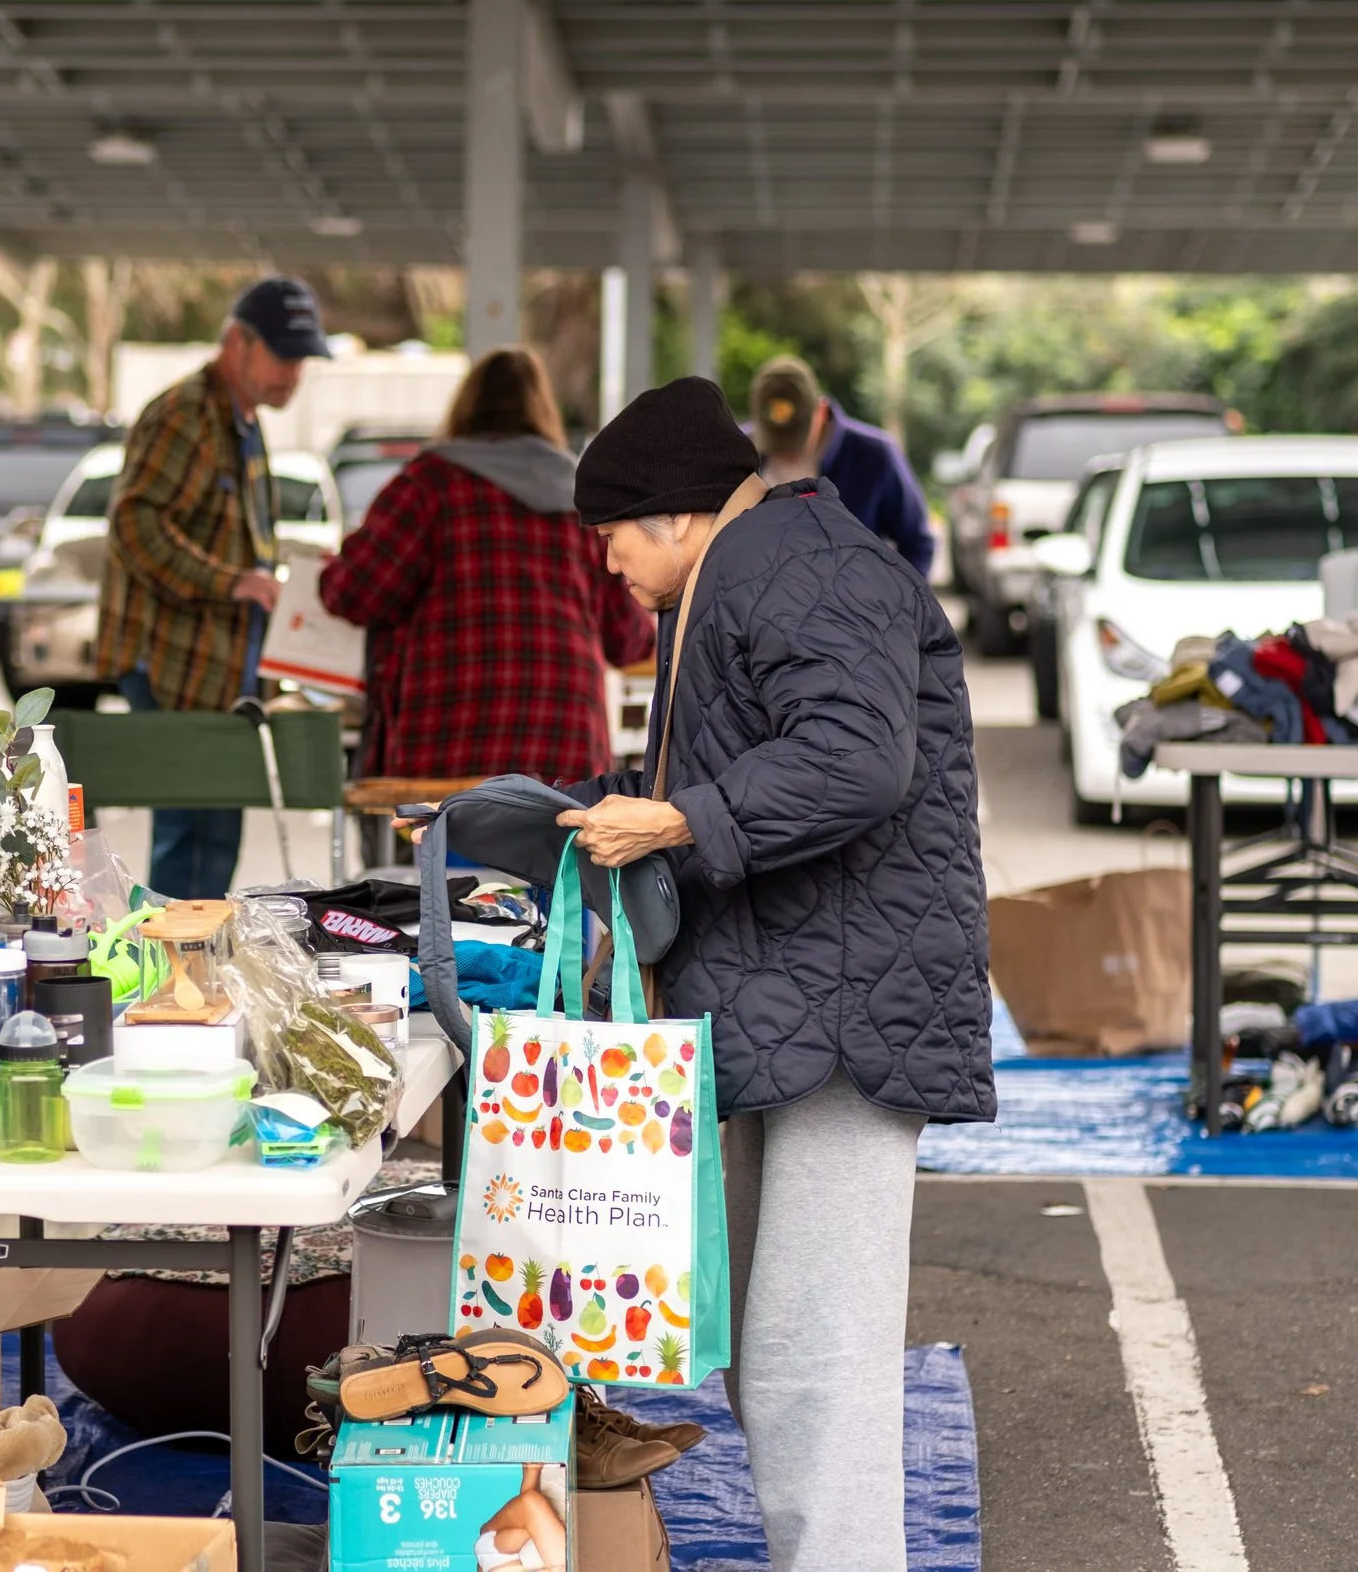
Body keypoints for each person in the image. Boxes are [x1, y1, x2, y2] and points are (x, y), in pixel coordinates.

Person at [553, 377, 991, 1572]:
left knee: (816, 1357)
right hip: (804, 995)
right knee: (780, 1348)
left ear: (676, 513)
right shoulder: (748, 568)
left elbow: (856, 759)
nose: (606, 564)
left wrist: (677, 821)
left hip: (849, 1006)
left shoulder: (802, 566)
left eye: (612, 535)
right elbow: (757, 753)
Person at [318, 347, 654, 783]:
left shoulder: (427, 486)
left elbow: (356, 592)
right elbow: (627, 638)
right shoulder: (582, 498)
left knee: (441, 828)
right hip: (563, 743)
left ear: (464, 408)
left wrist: (325, 570)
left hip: (445, 741)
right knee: (556, 829)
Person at [95, 276, 331, 897]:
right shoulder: (186, 414)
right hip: (175, 666)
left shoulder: (241, 419)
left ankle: (193, 949)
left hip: (222, 672)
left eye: (302, 359)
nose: (293, 373)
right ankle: (174, 953)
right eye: (282, 355)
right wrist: (232, 583)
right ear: (237, 342)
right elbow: (135, 524)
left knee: (216, 832)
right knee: (189, 834)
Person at [749, 354, 936, 575]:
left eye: (796, 438)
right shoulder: (737, 452)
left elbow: (917, 544)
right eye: (775, 440)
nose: (786, 451)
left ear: (821, 411)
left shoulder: (875, 456)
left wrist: (889, 594)